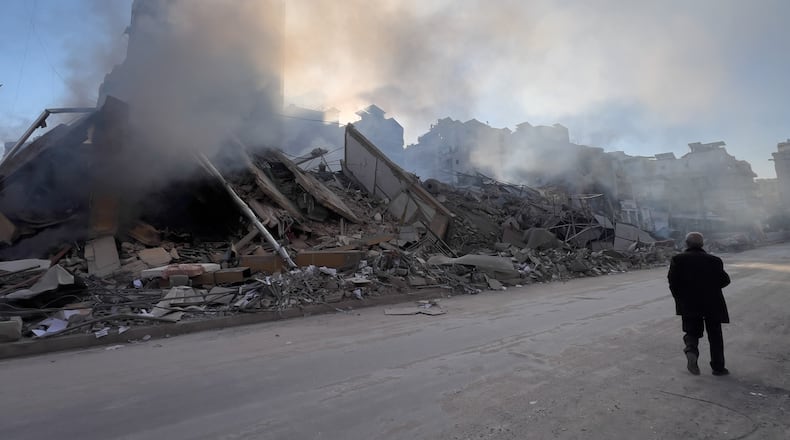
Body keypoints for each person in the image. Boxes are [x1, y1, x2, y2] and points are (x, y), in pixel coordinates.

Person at [668, 232, 731, 376]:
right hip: (712, 303)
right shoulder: (715, 260)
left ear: (686, 244)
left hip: (689, 303)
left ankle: (691, 351)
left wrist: (680, 299)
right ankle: (718, 367)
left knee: (692, 331)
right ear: (702, 244)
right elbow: (725, 281)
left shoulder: (678, 259)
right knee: (715, 335)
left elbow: (673, 282)